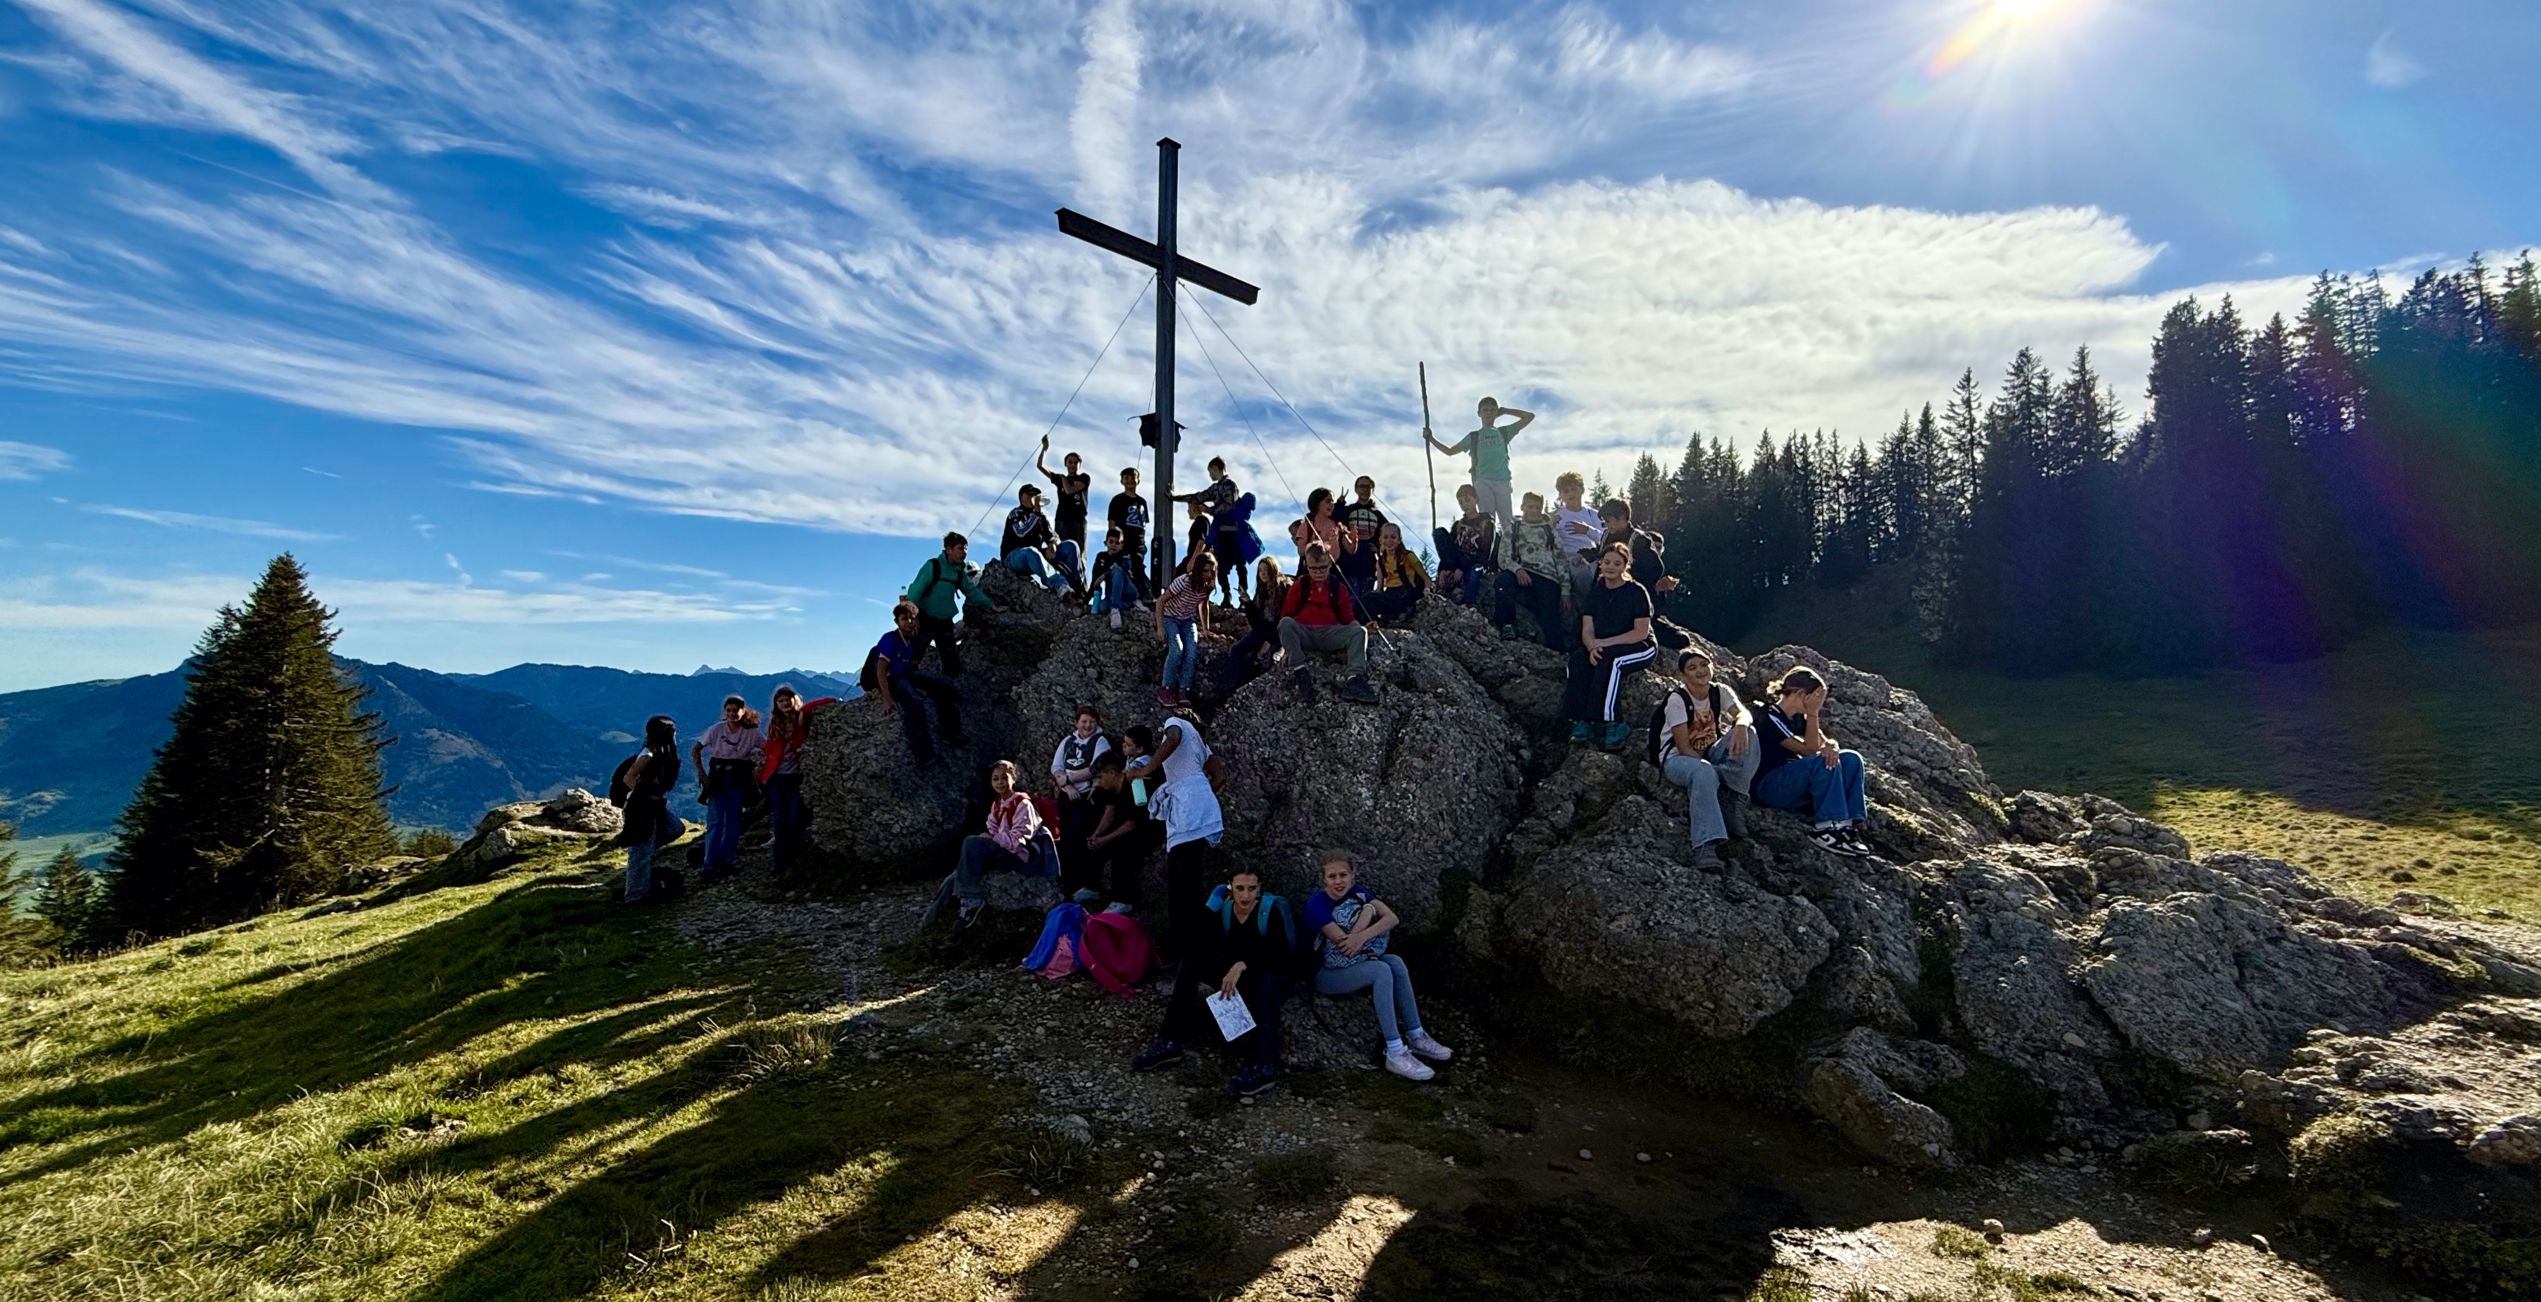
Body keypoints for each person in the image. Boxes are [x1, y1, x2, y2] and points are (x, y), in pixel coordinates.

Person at [1131, 865, 1301, 1099]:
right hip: (1236, 974)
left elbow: (1280, 955)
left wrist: (1241, 965)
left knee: (1267, 982)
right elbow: (1197, 943)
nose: (1246, 895)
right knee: (1190, 964)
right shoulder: (1225, 909)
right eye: (1240, 888)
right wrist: (1211, 908)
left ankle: (1263, 1066)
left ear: (1259, 889)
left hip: (1271, 975)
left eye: (1252, 889)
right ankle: (1169, 1041)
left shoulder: (1268, 912)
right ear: (1230, 889)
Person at [1304, 853, 1455, 1080]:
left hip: (1353, 963)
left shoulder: (1358, 891)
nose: (1338, 881)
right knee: (1380, 970)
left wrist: (1367, 923)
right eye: (1332, 876)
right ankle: (1395, 1051)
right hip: (1325, 974)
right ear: (1323, 879)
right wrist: (1368, 913)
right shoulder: (1317, 903)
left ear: (1353, 876)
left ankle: (1416, 1035)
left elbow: (1392, 918)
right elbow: (1347, 944)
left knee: (1395, 962)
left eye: (1343, 875)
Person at [1121, 708, 1224, 957]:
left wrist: (1144, 771)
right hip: (1204, 810)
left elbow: (1173, 737)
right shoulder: (1201, 746)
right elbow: (1220, 777)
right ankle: (1191, 948)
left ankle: (1185, 951)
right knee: (1190, 879)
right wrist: (1199, 793)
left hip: (1187, 813)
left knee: (1181, 884)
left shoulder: (1176, 723)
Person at [1751, 666, 1875, 858]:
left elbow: (1824, 743)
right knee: (1821, 762)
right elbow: (1809, 750)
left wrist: (1832, 745)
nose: (1818, 705)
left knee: (1850, 758)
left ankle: (1849, 823)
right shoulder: (1767, 716)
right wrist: (1813, 714)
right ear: (1801, 693)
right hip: (1769, 786)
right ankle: (1828, 828)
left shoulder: (1798, 718)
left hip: (1793, 784)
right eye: (1815, 698)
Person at [1657, 649, 1759, 872]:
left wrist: (1741, 725)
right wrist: (1711, 772)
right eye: (1692, 668)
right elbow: (1683, 747)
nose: (1700, 671)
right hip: (1678, 760)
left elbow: (1743, 713)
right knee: (1703, 772)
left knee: (1749, 734)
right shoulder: (1677, 700)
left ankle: (1734, 799)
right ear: (1683, 676)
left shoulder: (1719, 691)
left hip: (1708, 753)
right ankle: (1704, 846)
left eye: (1704, 665)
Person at [935, 759, 1060, 929]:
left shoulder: (1023, 804)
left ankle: (972, 902)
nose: (1000, 782)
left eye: (1004, 777)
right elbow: (991, 828)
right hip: (1004, 851)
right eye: (995, 779)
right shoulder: (997, 805)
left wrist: (990, 839)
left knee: (971, 843)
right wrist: (989, 837)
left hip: (1022, 858)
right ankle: (932, 919)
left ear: (1013, 779)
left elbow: (1018, 840)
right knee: (953, 878)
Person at [1566, 542, 1657, 750]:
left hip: (1639, 646)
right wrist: (1591, 646)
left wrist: (1602, 644)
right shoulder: (1596, 592)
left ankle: (1613, 722)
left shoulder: (1636, 591)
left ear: (1625, 566)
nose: (1610, 567)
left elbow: (1640, 632)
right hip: (1601, 644)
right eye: (1607, 562)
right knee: (1578, 660)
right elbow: (1587, 627)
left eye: (1617, 563)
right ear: (1600, 563)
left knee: (1611, 662)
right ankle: (1581, 721)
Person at [866, 599, 968, 765]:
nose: (909, 622)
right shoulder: (890, 639)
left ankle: (950, 729)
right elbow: (880, 669)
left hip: (908, 673)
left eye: (912, 618)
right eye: (904, 619)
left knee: (943, 683)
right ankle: (924, 754)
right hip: (894, 678)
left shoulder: (913, 639)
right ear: (897, 621)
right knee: (915, 703)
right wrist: (887, 698)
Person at [1276, 541, 1378, 705]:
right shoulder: (1298, 586)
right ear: (1306, 565)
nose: (1318, 572)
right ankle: (1301, 672)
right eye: (1313, 568)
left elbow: (1347, 619)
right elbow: (1286, 619)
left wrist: (1363, 628)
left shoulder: (1338, 588)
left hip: (1330, 633)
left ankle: (1354, 680)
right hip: (1305, 633)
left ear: (1330, 563)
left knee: (1359, 632)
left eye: (1323, 567)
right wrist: (1285, 649)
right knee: (1285, 623)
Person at [757, 684, 841, 874]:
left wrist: (835, 701)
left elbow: (821, 702)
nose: (785, 704)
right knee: (779, 820)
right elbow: (769, 750)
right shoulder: (774, 724)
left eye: (788, 700)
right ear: (776, 704)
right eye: (781, 701)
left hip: (795, 777)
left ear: (794, 700)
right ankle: (780, 862)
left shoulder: (802, 718)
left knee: (794, 818)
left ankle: (792, 858)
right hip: (777, 778)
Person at [1424, 395, 1533, 529]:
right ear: (1479, 413)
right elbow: (1450, 451)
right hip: (1482, 481)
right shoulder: (1474, 436)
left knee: (1507, 521)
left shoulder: (1504, 432)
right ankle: (1488, 548)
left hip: (1502, 480)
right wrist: (1431, 438)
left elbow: (1529, 417)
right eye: (1485, 410)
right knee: (1487, 520)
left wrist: (1505, 411)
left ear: (1496, 412)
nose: (1488, 413)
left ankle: (1509, 549)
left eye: (1492, 410)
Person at [1599, 498, 1691, 650]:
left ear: (1622, 518)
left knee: (1679, 639)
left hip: (1635, 599)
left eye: (1609, 521)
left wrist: (1628, 577)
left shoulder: (1639, 540)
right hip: (1609, 595)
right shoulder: (1606, 536)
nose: (1607, 525)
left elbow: (1656, 569)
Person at [691, 694, 763, 883]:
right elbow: (696, 748)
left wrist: (759, 768)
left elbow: (766, 748)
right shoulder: (716, 729)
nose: (732, 714)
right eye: (728, 710)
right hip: (718, 777)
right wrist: (700, 772)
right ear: (725, 712)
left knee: (733, 822)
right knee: (715, 823)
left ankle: (726, 861)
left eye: (735, 710)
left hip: (739, 777)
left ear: (743, 711)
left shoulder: (752, 732)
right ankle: (709, 864)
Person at [1069, 750, 1154, 909]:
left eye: (1100, 777)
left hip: (1144, 831)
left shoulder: (1133, 786)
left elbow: (1132, 823)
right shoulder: (1111, 790)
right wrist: (1096, 836)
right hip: (1124, 828)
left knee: (1123, 850)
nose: (1098, 782)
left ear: (1112, 772)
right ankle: (1092, 887)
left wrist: (1105, 839)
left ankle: (1123, 900)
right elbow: (1109, 813)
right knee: (1091, 843)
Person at [904, 532, 994, 675]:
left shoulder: (958, 572)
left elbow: (971, 592)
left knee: (951, 663)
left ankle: (947, 691)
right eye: (960, 548)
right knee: (913, 658)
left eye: (965, 549)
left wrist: (990, 604)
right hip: (924, 619)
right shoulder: (933, 566)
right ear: (948, 549)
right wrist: (909, 618)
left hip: (944, 622)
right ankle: (903, 688)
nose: (964, 553)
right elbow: (915, 592)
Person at [1493, 491, 1570, 650]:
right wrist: (1517, 570)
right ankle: (1507, 624)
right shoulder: (1512, 529)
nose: (1534, 510)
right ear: (1522, 507)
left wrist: (1565, 591)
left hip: (1547, 577)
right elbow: (1503, 557)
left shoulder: (1550, 531)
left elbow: (1561, 561)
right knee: (1502, 582)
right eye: (1530, 506)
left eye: (1537, 507)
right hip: (1520, 571)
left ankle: (1557, 651)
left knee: (1549, 614)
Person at [619, 715, 681, 904]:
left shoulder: (662, 755)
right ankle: (635, 896)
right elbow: (628, 777)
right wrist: (640, 795)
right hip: (641, 808)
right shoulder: (648, 755)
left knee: (675, 828)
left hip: (654, 806)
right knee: (640, 850)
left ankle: (641, 856)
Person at [1049, 705, 1113, 867]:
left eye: (1092, 721)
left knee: (1079, 836)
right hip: (1067, 796)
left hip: (1087, 797)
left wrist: (1069, 779)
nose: (1087, 725)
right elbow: (1056, 767)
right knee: (1064, 835)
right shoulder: (1068, 741)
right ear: (1076, 723)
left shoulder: (1100, 741)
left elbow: (1095, 768)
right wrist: (1067, 787)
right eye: (1084, 721)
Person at [1156, 549, 1217, 706]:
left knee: (1191, 651)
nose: (1208, 574)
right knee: (1177, 649)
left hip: (1187, 620)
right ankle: (1166, 688)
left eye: (1211, 571)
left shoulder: (1206, 586)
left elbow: (1203, 605)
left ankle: (1184, 689)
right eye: (1205, 571)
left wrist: (1205, 628)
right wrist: (1160, 627)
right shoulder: (1183, 581)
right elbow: (1161, 601)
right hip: (1170, 617)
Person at [1221, 556, 1289, 695]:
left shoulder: (1283, 589)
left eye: (1266, 570)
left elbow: (1283, 619)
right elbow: (1256, 623)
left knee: (1270, 659)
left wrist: (1268, 642)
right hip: (1262, 632)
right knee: (1237, 650)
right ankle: (1231, 690)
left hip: (1278, 634)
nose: (1263, 573)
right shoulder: (1261, 591)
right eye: (1260, 571)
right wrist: (1248, 603)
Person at [1002, 484, 1081, 593]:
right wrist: (1036, 513)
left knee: (1071, 546)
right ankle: (1058, 584)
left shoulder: (1040, 517)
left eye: (1035, 495)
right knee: (1031, 552)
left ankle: (1074, 587)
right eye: (1029, 494)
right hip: (1014, 556)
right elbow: (1021, 532)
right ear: (1021, 498)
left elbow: (1053, 535)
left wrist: (1052, 544)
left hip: (1037, 555)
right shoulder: (1015, 514)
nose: (1033, 497)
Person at [1433, 483, 1498, 607]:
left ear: (1476, 499)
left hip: (1476, 560)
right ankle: (1443, 585)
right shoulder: (1458, 524)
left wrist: (1462, 568)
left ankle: (1468, 603)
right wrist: (1442, 569)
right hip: (1457, 558)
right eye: (1461, 502)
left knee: (1473, 573)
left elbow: (1486, 552)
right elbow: (1448, 551)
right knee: (1439, 532)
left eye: (1468, 500)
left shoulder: (1487, 523)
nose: (1465, 505)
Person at [1551, 471, 1604, 602]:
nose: (1570, 494)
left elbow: (1605, 538)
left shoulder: (1593, 514)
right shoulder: (1556, 516)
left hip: (1594, 556)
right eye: (1566, 491)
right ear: (1561, 495)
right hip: (1570, 557)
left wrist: (1587, 530)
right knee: (1583, 575)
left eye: (1574, 489)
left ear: (1582, 490)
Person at [1364, 521, 1429, 623]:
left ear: (1399, 540)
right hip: (1389, 592)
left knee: (1371, 598)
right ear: (1380, 540)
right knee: (1365, 599)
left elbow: (1426, 578)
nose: (1389, 540)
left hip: (1406, 593)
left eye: (1393, 537)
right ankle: (1374, 623)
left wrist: (1427, 592)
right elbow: (1379, 588)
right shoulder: (1380, 562)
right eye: (1385, 537)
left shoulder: (1408, 556)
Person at [1037, 438, 1093, 550]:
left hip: (1078, 521)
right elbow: (1040, 466)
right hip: (1062, 519)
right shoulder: (1060, 479)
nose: (1073, 465)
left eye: (1076, 462)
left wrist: (1062, 478)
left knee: (1078, 550)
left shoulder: (1084, 478)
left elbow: (1070, 490)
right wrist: (1044, 449)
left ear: (1079, 465)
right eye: (1070, 462)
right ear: (1065, 464)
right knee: (1061, 549)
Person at [1336, 475, 1388, 591]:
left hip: (1369, 564)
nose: (1365, 490)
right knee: (1350, 600)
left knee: (1366, 599)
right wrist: (1339, 504)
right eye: (1362, 486)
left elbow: (1388, 533)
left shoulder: (1378, 515)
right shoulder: (1347, 510)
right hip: (1348, 563)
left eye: (1368, 487)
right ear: (1356, 489)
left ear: (1372, 490)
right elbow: (1333, 518)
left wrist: (1379, 548)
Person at [1288, 487, 1358, 570]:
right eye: (1328, 501)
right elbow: (1301, 551)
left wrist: (1354, 540)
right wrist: (1321, 545)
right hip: (1310, 572)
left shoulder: (1338, 526)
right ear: (1317, 504)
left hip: (1332, 573)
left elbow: (1351, 549)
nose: (1332, 504)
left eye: (1333, 501)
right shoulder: (1306, 526)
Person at [1109, 465, 1152, 598]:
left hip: (1138, 544)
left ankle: (1144, 595)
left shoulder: (1142, 502)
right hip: (1123, 543)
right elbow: (1112, 524)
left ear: (1138, 480)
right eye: (1126, 478)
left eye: (1133, 477)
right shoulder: (1117, 500)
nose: (1129, 480)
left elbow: (1144, 524)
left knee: (1138, 568)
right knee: (1123, 569)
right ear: (1121, 481)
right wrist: (1114, 543)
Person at [1090, 525, 1140, 629]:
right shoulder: (1101, 557)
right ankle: (1130, 605)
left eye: (1117, 543)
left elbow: (1124, 567)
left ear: (1122, 545)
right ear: (1106, 542)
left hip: (1128, 591)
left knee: (1117, 570)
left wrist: (1105, 575)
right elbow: (1095, 580)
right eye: (1111, 542)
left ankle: (1115, 610)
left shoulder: (1125, 555)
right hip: (1112, 594)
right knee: (1102, 607)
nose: (1114, 545)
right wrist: (1086, 599)